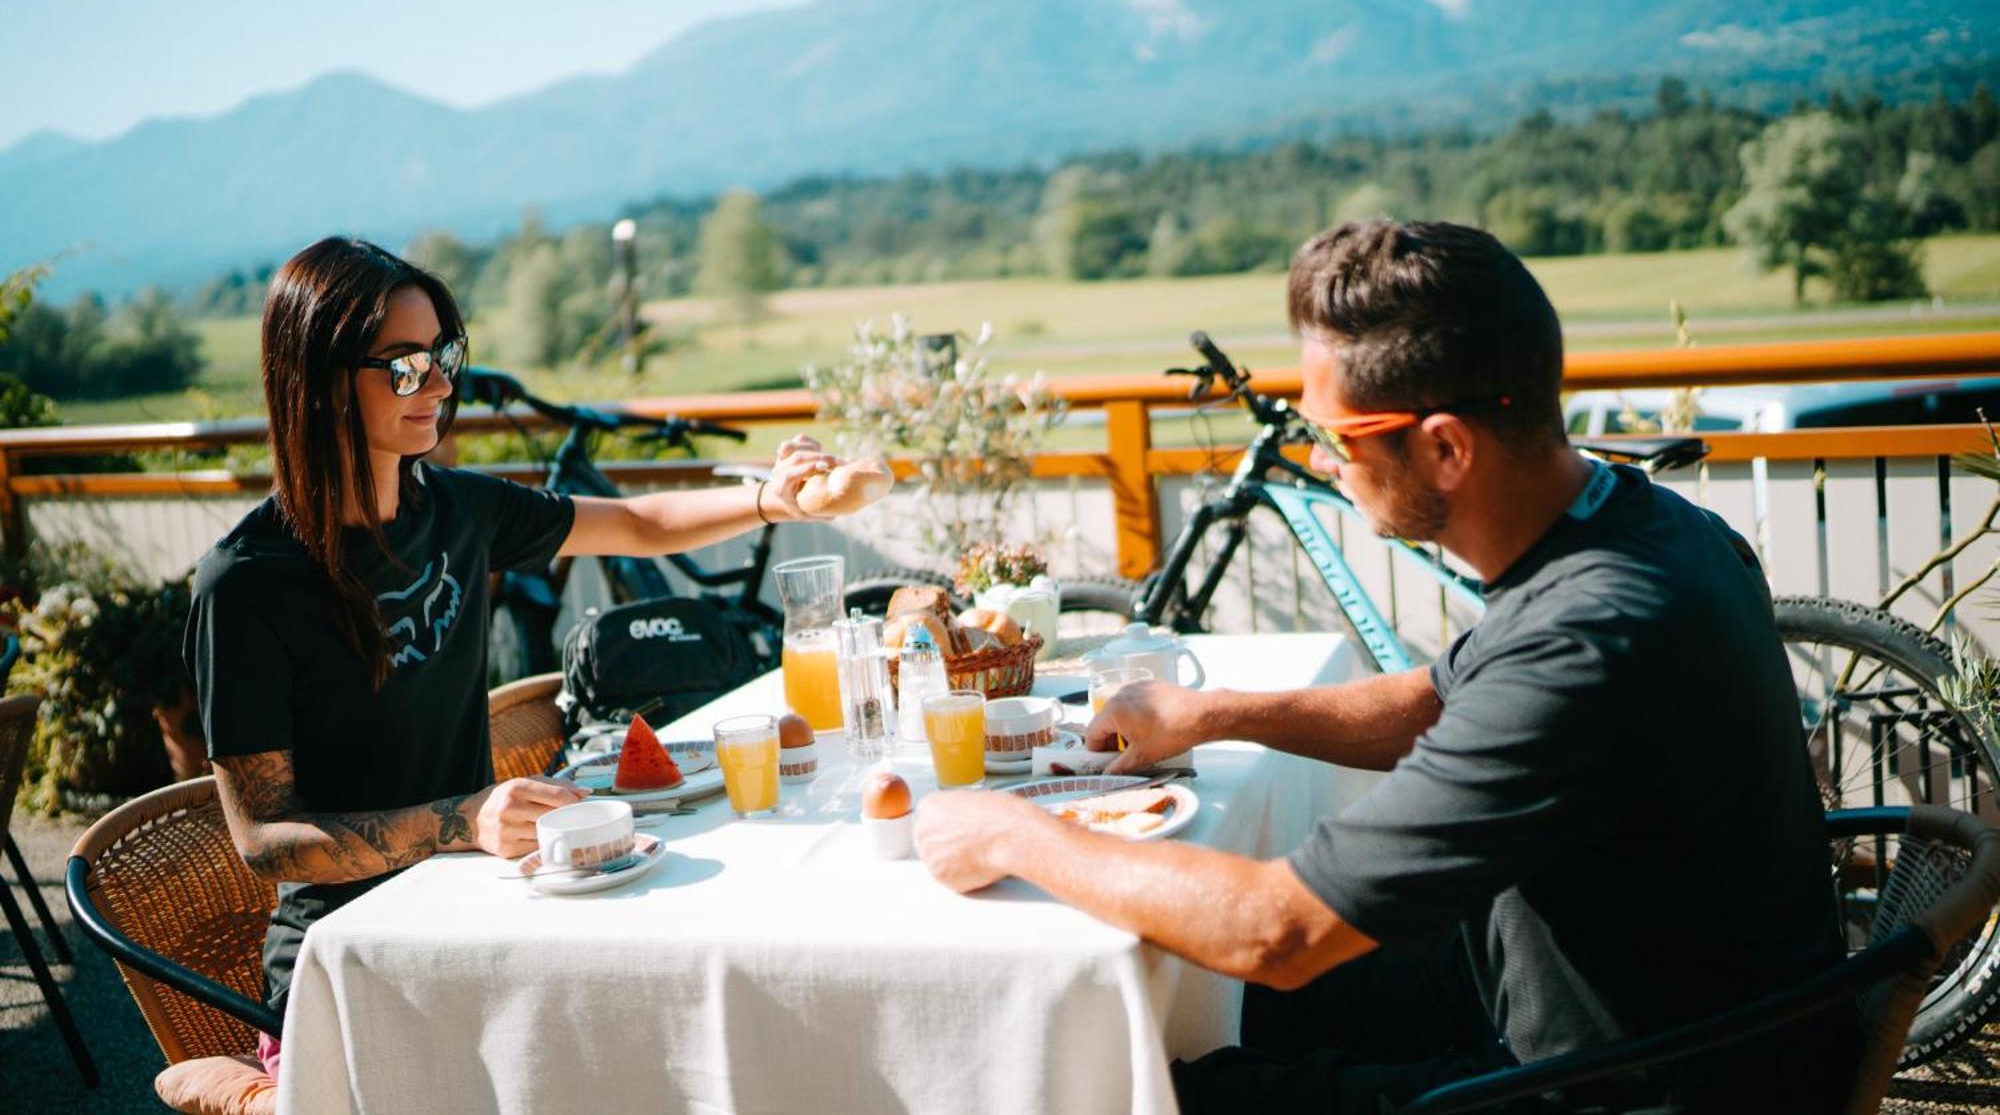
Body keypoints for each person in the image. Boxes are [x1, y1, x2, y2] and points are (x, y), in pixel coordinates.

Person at [916, 219, 1854, 1111]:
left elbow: (1277, 930)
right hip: (1614, 996)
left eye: (1338, 439)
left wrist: (1012, 835)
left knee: (1162, 1091)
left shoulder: (1585, 637)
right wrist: (1207, 713)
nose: (1325, 464)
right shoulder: (1640, 530)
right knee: (1212, 1004)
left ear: (1446, 445)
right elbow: (1437, 703)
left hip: (1645, 1080)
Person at [187, 237, 856, 1078]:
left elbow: (639, 522)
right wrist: (462, 821)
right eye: (404, 367)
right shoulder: (246, 585)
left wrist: (768, 498)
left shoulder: (459, 511)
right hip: (345, 970)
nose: (439, 385)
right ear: (321, 382)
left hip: (479, 913)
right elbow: (265, 838)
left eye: (444, 356)